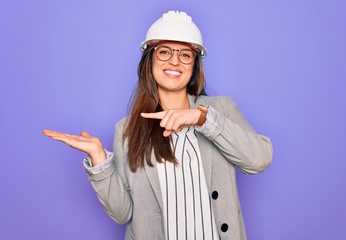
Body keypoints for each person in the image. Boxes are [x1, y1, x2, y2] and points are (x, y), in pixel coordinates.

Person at [43, 10, 273, 240]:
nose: (174, 61)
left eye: (185, 55)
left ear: (194, 65)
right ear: (149, 61)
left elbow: (259, 159)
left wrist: (201, 119)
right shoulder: (126, 130)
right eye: (164, 52)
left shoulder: (220, 110)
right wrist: (99, 160)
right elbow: (123, 213)